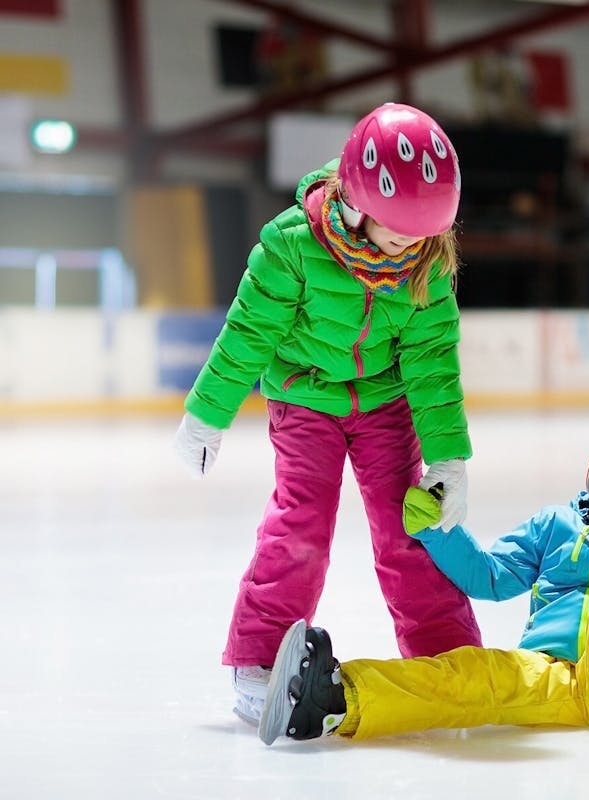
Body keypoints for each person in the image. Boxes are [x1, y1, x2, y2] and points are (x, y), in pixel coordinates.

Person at [173, 102, 482, 724]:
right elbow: (248, 334)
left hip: (384, 404)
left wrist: (448, 455)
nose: (410, 245)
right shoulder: (291, 245)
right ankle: (260, 659)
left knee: (410, 528)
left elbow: (432, 363)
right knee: (301, 525)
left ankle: (446, 655)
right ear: (358, 201)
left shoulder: (425, 263)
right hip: (304, 398)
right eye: (398, 229)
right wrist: (207, 413)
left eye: (423, 232)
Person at [258, 406, 589, 756]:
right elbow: (490, 577)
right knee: (469, 673)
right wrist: (440, 532)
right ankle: (335, 699)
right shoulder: (556, 527)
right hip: (545, 675)